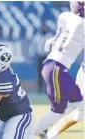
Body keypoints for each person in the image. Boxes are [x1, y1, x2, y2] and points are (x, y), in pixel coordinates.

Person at [34, 1, 84, 138]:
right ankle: (31, 131)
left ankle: (46, 129)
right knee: (57, 110)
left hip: (53, 64)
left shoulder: (64, 16)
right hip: (57, 68)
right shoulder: (82, 25)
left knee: (78, 101)